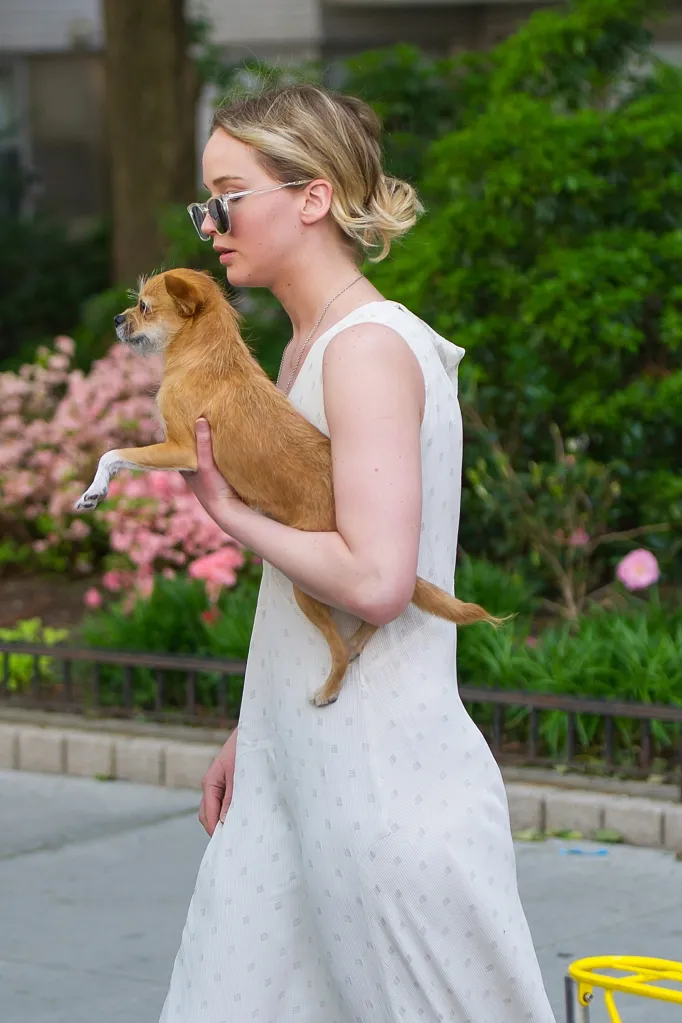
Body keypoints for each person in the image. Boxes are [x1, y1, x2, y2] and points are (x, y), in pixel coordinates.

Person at [160, 83, 556, 1023]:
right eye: (204, 201)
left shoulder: (367, 348)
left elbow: (377, 582)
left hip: (382, 797)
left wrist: (229, 512)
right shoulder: (302, 352)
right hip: (299, 780)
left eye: (228, 194)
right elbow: (312, 580)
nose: (211, 222)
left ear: (312, 195)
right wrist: (253, 734)